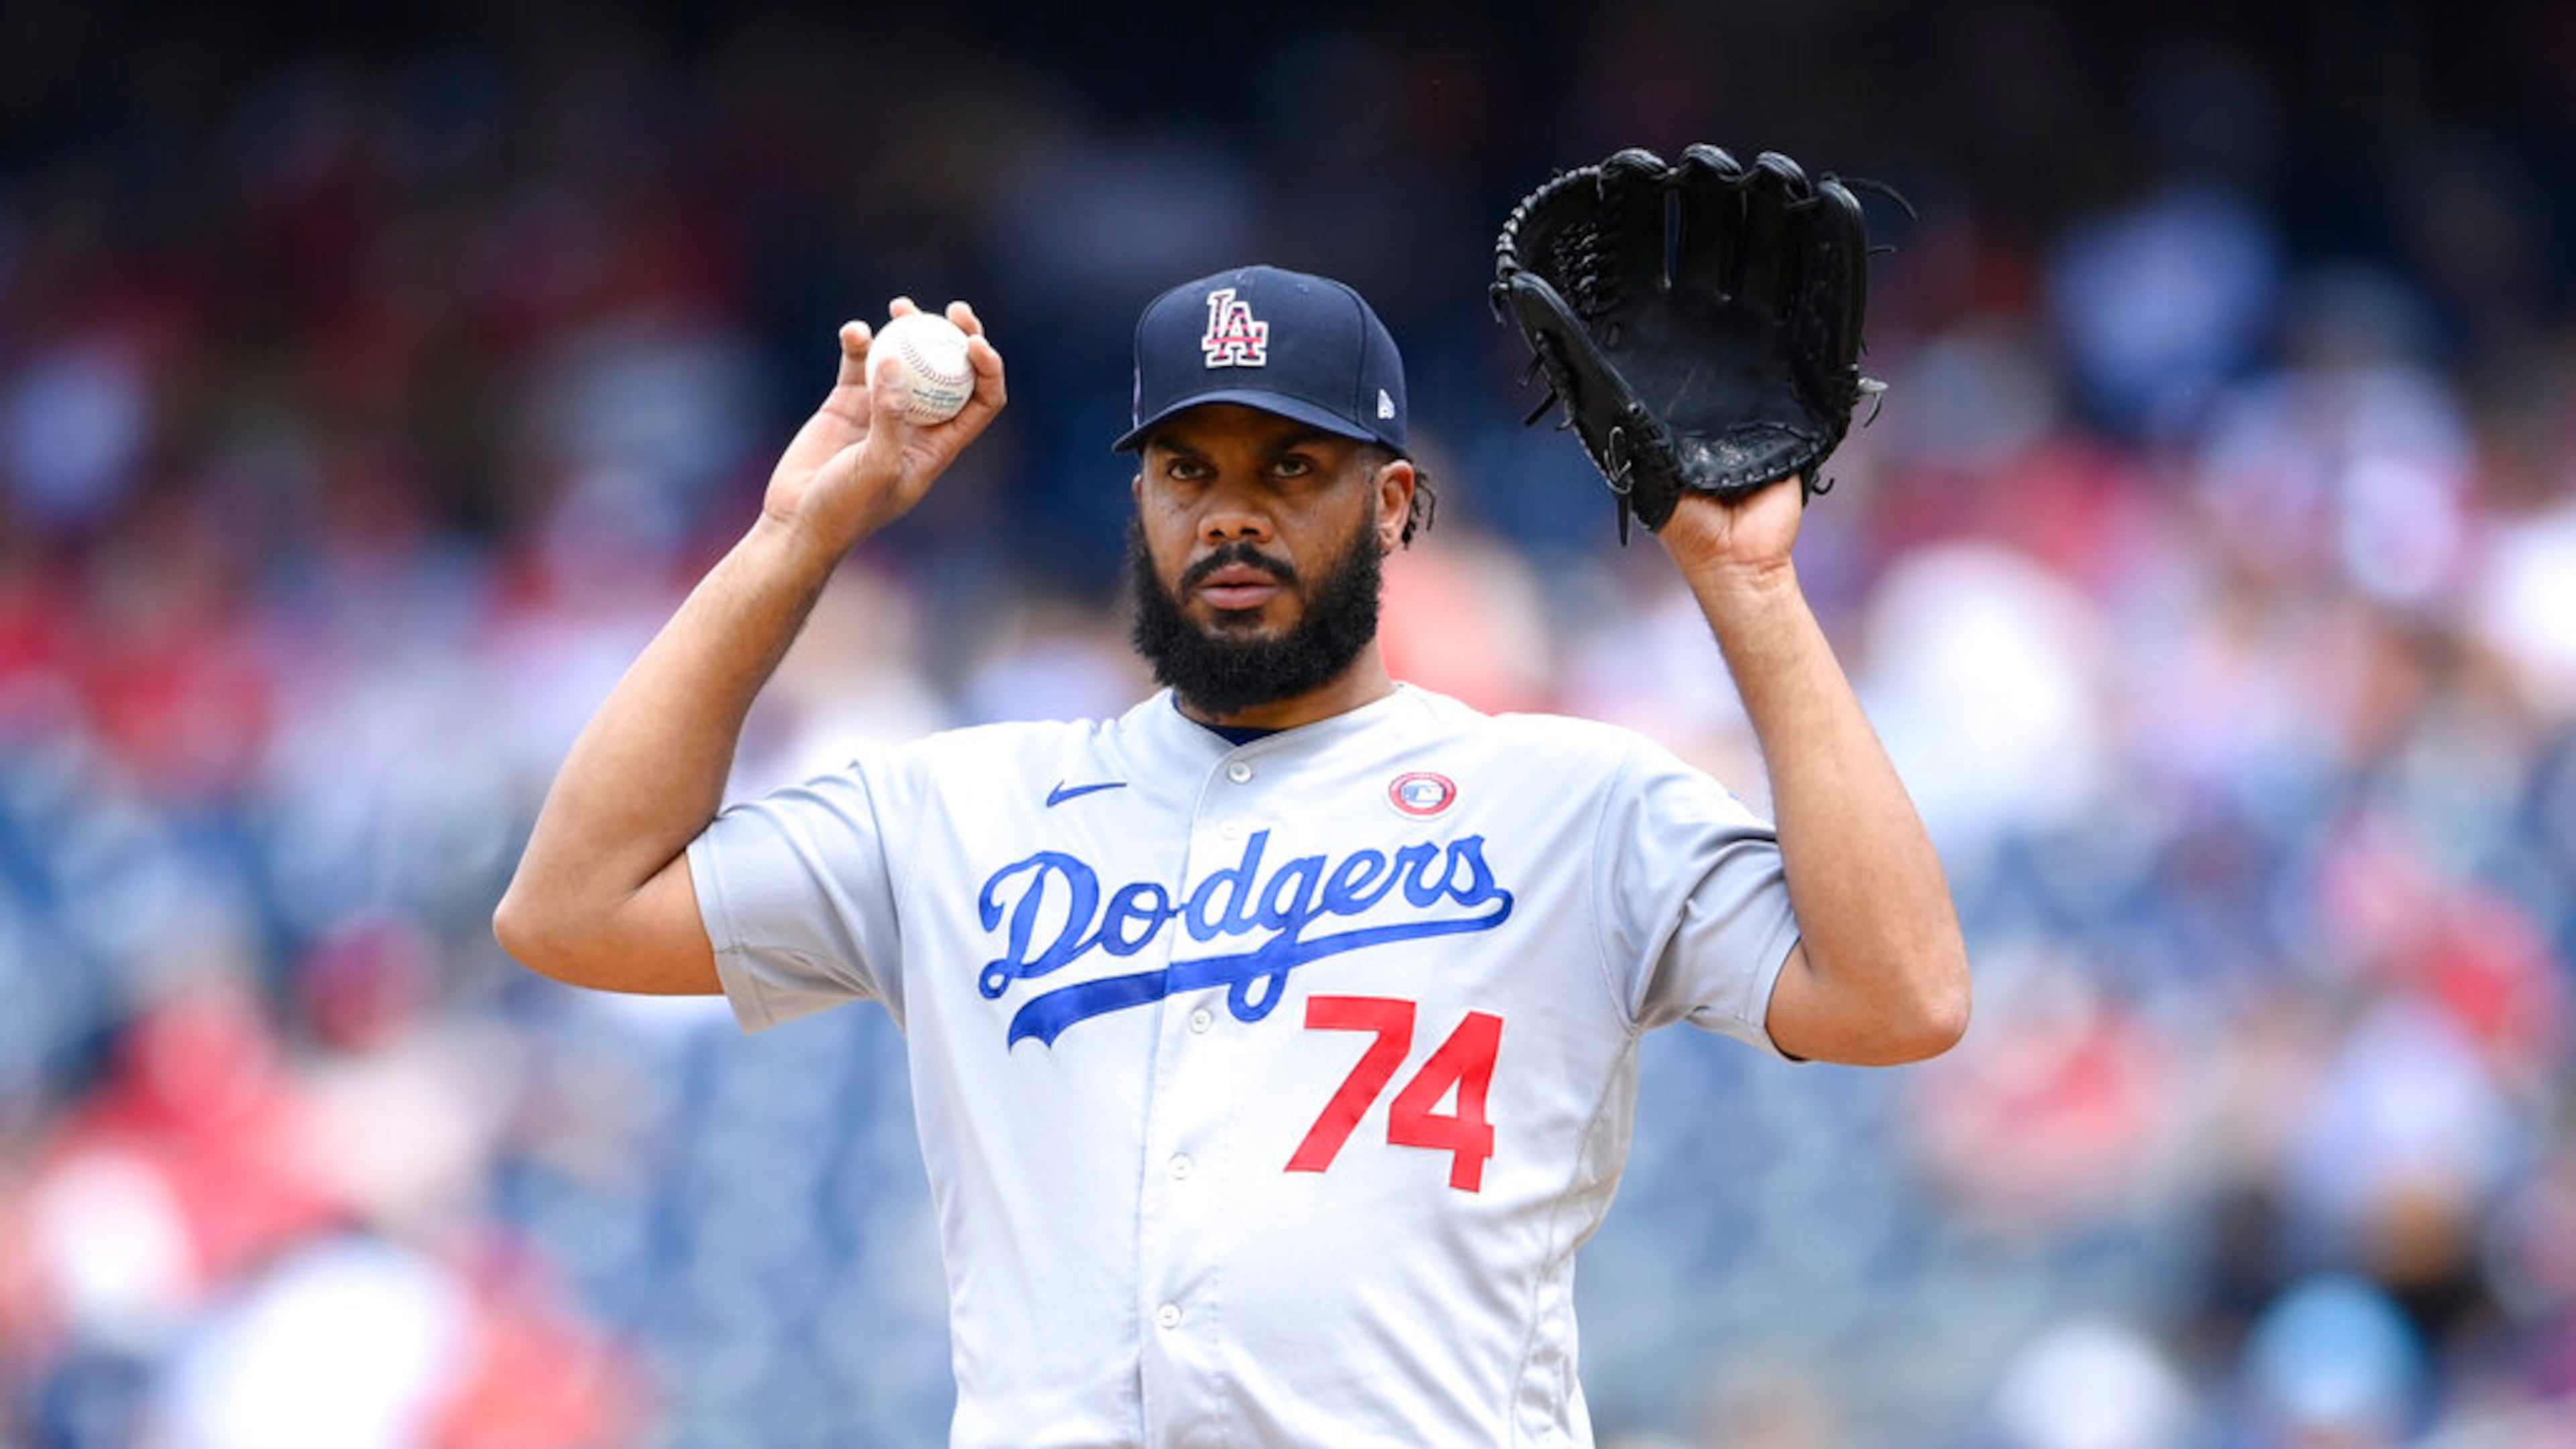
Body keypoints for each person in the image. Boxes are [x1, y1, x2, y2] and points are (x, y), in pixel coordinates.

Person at [494, 264, 1970, 1446]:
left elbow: (1899, 998)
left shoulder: (1571, 803)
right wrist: (795, 535)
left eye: (1294, 464)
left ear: (1394, 506)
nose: (1234, 512)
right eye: (1187, 468)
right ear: (1138, 501)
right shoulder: (958, 810)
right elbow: (574, 913)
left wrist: (1750, 585)